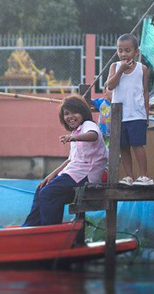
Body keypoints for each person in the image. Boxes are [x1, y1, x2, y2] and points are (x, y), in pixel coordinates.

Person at [22, 95, 107, 227]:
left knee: (48, 193)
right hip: (74, 173)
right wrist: (53, 174)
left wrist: (74, 138)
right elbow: (71, 160)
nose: (70, 116)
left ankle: (50, 231)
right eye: (66, 113)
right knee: (41, 189)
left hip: (86, 175)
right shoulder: (75, 132)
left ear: (83, 113)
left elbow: (93, 135)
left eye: (75, 112)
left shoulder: (88, 125)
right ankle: (29, 227)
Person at [105, 33, 153, 186]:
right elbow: (110, 86)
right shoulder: (115, 67)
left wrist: (145, 112)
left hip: (136, 115)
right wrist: (120, 71)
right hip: (119, 116)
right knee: (123, 146)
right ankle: (129, 176)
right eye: (120, 51)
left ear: (136, 52)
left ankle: (145, 176)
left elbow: (145, 92)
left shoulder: (142, 69)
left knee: (137, 144)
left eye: (128, 50)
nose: (124, 54)